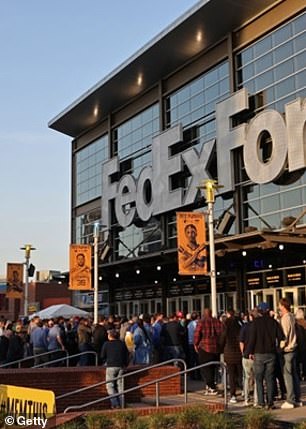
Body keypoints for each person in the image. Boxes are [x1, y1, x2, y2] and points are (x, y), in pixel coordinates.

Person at [247, 302, 284, 410]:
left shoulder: (255, 323)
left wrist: (249, 352)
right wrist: (278, 349)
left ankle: (261, 402)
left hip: (258, 354)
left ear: (259, 311)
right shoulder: (274, 322)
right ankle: (270, 402)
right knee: (270, 378)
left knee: (259, 379)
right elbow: (281, 337)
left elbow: (252, 339)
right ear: (268, 311)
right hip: (271, 353)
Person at [194, 308, 223, 395]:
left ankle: (211, 386)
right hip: (215, 348)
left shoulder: (201, 322)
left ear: (204, 313)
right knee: (213, 368)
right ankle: (211, 385)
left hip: (204, 347)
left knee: (205, 368)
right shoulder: (217, 322)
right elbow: (222, 333)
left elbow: (197, 334)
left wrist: (195, 344)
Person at [278, 298, 301, 408]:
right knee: (294, 374)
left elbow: (285, 335)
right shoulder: (292, 316)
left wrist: (280, 347)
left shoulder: (285, 318)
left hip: (288, 349)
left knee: (288, 375)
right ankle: (297, 398)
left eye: (279, 305)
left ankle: (290, 400)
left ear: (283, 306)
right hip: (294, 348)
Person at [101, 329, 129, 409]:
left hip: (110, 366)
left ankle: (115, 404)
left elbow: (102, 356)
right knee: (120, 385)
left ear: (110, 336)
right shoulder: (122, 344)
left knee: (110, 385)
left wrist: (105, 361)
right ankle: (122, 403)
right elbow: (127, 355)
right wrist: (125, 365)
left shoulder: (106, 344)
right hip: (121, 366)